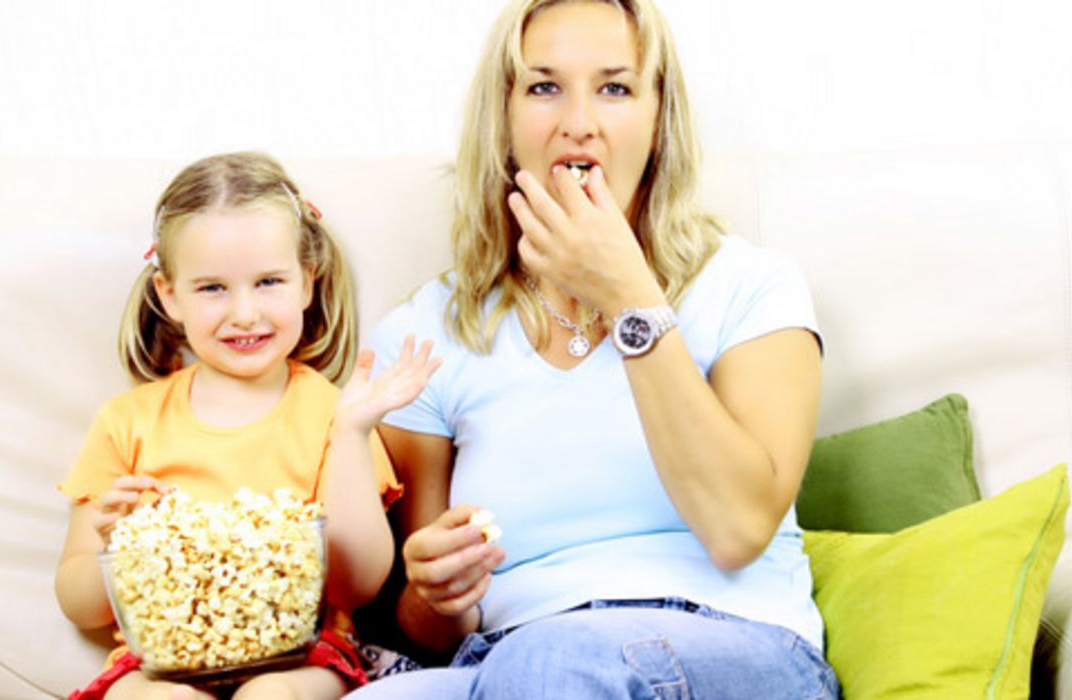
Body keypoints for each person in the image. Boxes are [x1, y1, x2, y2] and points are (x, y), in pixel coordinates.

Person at [347, 0, 839, 697]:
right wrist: (435, 595)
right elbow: (426, 632)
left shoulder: (751, 287)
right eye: (543, 86)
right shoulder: (428, 332)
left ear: (657, 117)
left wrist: (628, 297)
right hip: (510, 658)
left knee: (558, 660)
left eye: (614, 87)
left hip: (735, 640)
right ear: (505, 117)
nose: (578, 121)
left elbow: (737, 528)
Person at [54, 152, 440, 700]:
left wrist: (352, 436)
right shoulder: (127, 423)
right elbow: (78, 604)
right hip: (162, 661)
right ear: (170, 296)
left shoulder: (336, 414)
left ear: (307, 283)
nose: (244, 313)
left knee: (271, 697)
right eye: (213, 288)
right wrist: (116, 548)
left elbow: (358, 586)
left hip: (302, 656)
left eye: (268, 282)